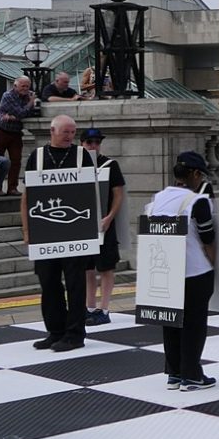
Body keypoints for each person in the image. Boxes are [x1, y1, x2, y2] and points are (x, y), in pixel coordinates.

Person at [20, 114, 96, 352]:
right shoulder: (37, 156)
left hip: (75, 232)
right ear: (52, 131)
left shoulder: (82, 156)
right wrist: (26, 229)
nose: (70, 136)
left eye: (73, 132)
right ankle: (55, 330)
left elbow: (92, 192)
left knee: (75, 284)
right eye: (66, 132)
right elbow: (27, 195)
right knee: (49, 282)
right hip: (45, 231)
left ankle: (75, 334)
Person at [146, 151, 219, 391]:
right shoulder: (197, 202)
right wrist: (214, 266)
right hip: (195, 271)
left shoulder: (157, 200)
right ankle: (192, 374)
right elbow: (208, 239)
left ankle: (174, 372)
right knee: (194, 324)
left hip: (166, 271)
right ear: (195, 174)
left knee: (172, 321)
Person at [80, 127, 125, 325]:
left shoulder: (109, 164)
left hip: (104, 222)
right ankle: (89, 307)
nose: (94, 146)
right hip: (83, 222)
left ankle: (104, 308)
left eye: (97, 142)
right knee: (87, 267)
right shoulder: (77, 165)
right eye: (90, 142)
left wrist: (109, 217)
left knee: (106, 267)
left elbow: (118, 194)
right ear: (82, 144)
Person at [0, 76, 42, 195]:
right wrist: (30, 103)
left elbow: (32, 113)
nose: (25, 89)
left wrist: (18, 115)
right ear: (15, 86)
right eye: (23, 86)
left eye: (27, 86)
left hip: (15, 132)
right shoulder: (8, 96)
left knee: (16, 160)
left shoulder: (29, 95)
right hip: (1, 130)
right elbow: (21, 113)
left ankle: (12, 188)